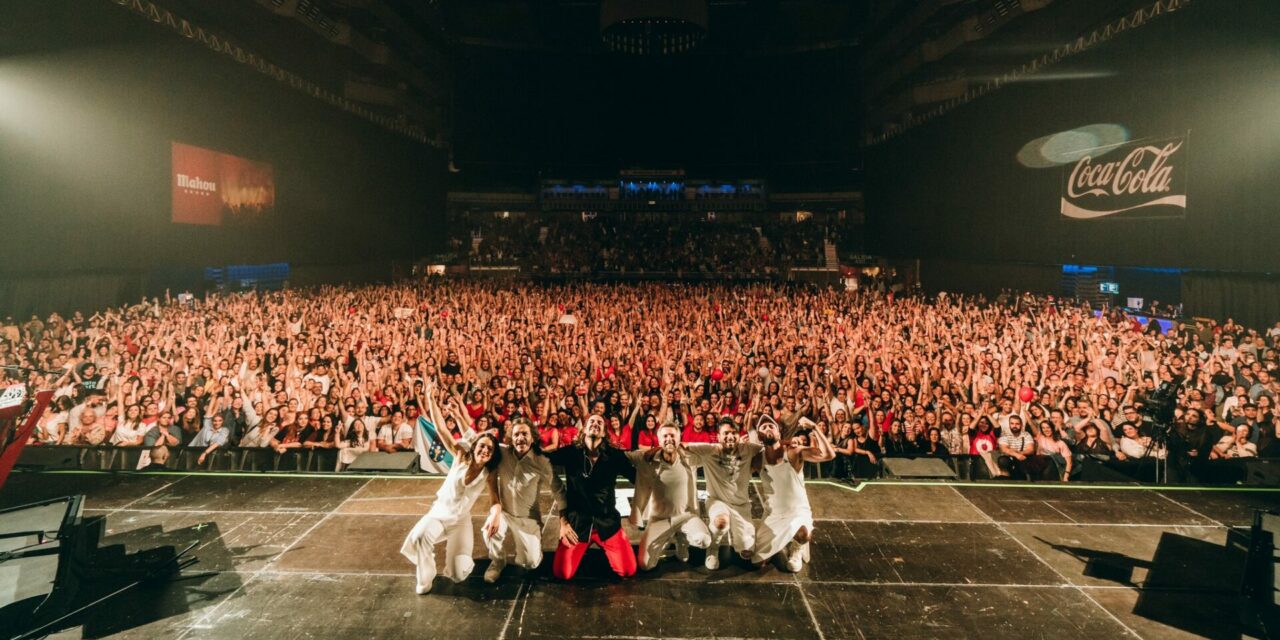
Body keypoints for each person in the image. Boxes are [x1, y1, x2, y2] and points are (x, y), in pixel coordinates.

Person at [401, 381, 500, 594]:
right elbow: (441, 428)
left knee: (457, 574)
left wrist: (495, 514)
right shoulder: (460, 455)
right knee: (420, 537)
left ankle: (455, 563)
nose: (485, 450)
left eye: (489, 449)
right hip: (439, 514)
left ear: (492, 455)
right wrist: (430, 398)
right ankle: (426, 577)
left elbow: (495, 500)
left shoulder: (488, 473)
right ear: (474, 447)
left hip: (460, 520)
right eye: (482, 446)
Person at [546, 414, 637, 581]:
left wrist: (655, 456)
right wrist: (563, 522)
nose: (595, 424)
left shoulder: (615, 456)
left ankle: (611, 544)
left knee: (627, 570)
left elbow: (637, 477)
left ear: (604, 433)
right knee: (562, 573)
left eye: (600, 422)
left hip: (607, 522)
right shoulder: (571, 453)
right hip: (577, 524)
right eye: (591, 421)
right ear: (584, 429)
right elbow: (542, 459)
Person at [482, 418, 559, 583]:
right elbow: (477, 441)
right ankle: (497, 561)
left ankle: (534, 550)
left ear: (533, 437)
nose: (520, 438)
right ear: (510, 437)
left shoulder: (541, 461)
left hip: (527, 518)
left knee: (530, 563)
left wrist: (565, 520)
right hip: (504, 512)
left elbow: (558, 490)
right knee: (489, 531)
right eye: (516, 434)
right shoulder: (502, 452)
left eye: (525, 433)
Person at [752, 417, 834, 572]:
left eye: (771, 426)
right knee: (757, 563)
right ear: (759, 435)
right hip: (773, 515)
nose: (768, 428)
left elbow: (829, 455)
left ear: (778, 432)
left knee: (802, 533)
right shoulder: (757, 459)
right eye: (764, 427)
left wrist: (815, 428)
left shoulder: (793, 452)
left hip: (797, 512)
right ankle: (777, 544)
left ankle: (797, 548)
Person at [626, 422, 710, 571]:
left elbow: (712, 450)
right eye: (665, 436)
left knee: (704, 540)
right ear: (659, 440)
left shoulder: (691, 457)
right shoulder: (646, 458)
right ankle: (666, 537)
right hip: (659, 519)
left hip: (686, 516)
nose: (669, 439)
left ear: (679, 439)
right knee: (645, 565)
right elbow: (622, 455)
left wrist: (689, 445)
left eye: (673, 436)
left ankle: (681, 539)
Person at [684, 417, 762, 570]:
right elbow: (683, 446)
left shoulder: (748, 448)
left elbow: (762, 448)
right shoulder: (709, 449)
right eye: (726, 433)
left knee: (747, 552)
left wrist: (754, 467)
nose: (730, 436)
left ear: (739, 435)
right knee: (721, 524)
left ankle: (736, 535)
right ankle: (713, 548)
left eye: (734, 433)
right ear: (718, 436)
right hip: (717, 501)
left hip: (741, 505)